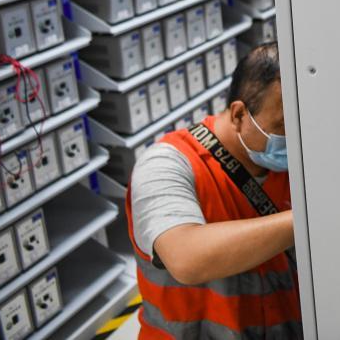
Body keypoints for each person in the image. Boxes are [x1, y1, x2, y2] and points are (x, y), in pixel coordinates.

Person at [126, 42, 302, 337]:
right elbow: (185, 258)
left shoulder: (296, 165)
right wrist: (309, 218)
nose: (295, 139)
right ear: (239, 115)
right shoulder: (165, 165)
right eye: (283, 126)